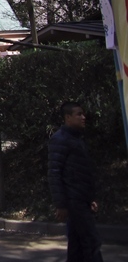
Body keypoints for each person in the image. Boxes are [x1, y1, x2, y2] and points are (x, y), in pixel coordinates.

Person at [48, 101, 103, 262]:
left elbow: (82, 173)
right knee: (91, 242)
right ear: (68, 117)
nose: (83, 117)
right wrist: (61, 204)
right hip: (74, 201)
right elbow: (54, 173)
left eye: (83, 114)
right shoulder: (60, 139)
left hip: (81, 199)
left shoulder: (77, 139)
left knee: (77, 245)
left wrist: (90, 198)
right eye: (79, 114)